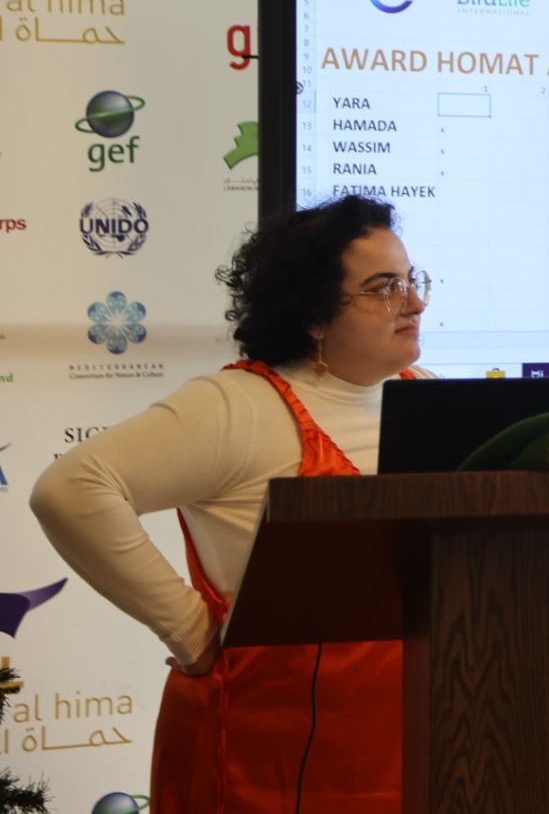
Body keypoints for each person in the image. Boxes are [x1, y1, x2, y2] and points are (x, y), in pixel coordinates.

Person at [31, 194, 433, 813]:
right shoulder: (237, 407)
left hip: (415, 745)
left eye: (412, 281)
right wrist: (190, 632)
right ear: (314, 314)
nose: (415, 304)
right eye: (384, 289)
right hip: (269, 760)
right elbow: (71, 489)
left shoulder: (427, 396)